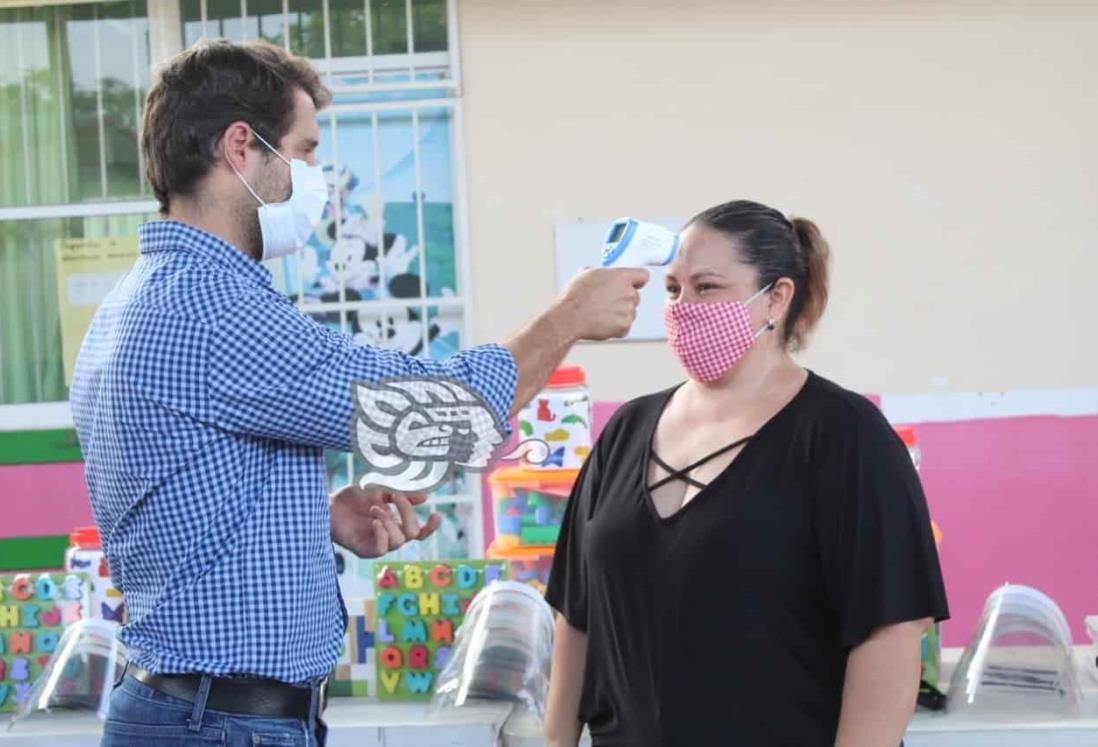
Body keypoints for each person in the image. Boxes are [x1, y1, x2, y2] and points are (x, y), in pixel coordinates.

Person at [69, 39, 647, 747]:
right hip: (221, 722)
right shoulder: (214, 310)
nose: (317, 176)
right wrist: (568, 319)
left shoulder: (141, 300)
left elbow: (183, 503)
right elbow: (443, 417)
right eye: (305, 153)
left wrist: (312, 521)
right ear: (240, 148)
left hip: (199, 709)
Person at [544, 199, 949, 747]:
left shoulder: (846, 437)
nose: (684, 306)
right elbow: (576, 616)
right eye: (672, 290)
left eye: (707, 287)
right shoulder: (626, 431)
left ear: (776, 299)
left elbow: (891, 632)